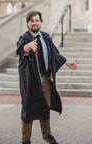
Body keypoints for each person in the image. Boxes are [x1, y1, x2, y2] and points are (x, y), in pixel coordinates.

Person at [16, 11, 78, 144]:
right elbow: (20, 49)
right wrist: (29, 46)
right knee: (28, 108)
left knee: (45, 105)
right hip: (30, 81)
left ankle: (47, 135)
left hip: (45, 79)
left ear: (41, 22)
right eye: (32, 21)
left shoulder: (45, 37)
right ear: (28, 23)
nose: (34, 23)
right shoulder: (25, 38)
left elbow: (55, 53)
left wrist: (67, 62)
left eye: (37, 20)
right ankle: (25, 140)